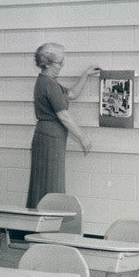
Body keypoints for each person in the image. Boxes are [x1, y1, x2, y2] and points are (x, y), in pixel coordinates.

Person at [26, 42, 101, 208]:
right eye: (59, 63)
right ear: (47, 63)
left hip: (48, 136)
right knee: (51, 184)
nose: (62, 66)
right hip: (50, 138)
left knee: (45, 184)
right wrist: (83, 137)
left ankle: (42, 222)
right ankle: (48, 224)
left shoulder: (47, 82)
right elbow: (64, 115)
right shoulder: (49, 84)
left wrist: (86, 74)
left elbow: (72, 94)